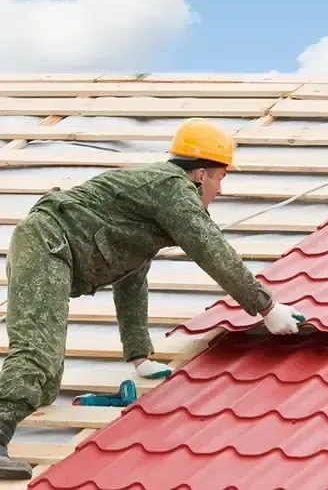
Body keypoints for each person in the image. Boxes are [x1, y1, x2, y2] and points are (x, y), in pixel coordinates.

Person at [0, 118, 306, 479]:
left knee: (46, 384)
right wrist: (266, 306)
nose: (221, 190)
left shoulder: (151, 207)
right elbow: (212, 250)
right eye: (221, 178)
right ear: (201, 175)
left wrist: (139, 355)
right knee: (37, 355)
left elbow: (131, 278)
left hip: (51, 247)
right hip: (47, 244)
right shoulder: (172, 190)